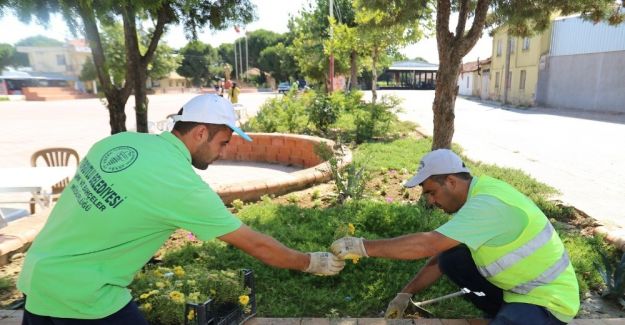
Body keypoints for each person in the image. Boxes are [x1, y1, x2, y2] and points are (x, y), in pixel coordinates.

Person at [17, 94, 345, 324]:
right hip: (86, 299)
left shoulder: (118, 142)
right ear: (201, 132)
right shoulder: (181, 185)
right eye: (223, 142)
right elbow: (256, 244)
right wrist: (310, 262)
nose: (224, 152)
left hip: (38, 282)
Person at [331, 149, 579, 325]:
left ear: (450, 181)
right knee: (451, 257)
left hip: (547, 302)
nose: (429, 200)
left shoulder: (488, 205)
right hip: (518, 292)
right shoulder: (480, 191)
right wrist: (405, 294)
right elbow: (439, 256)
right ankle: (502, 314)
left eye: (431, 192)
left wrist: (361, 246)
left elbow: (426, 244)